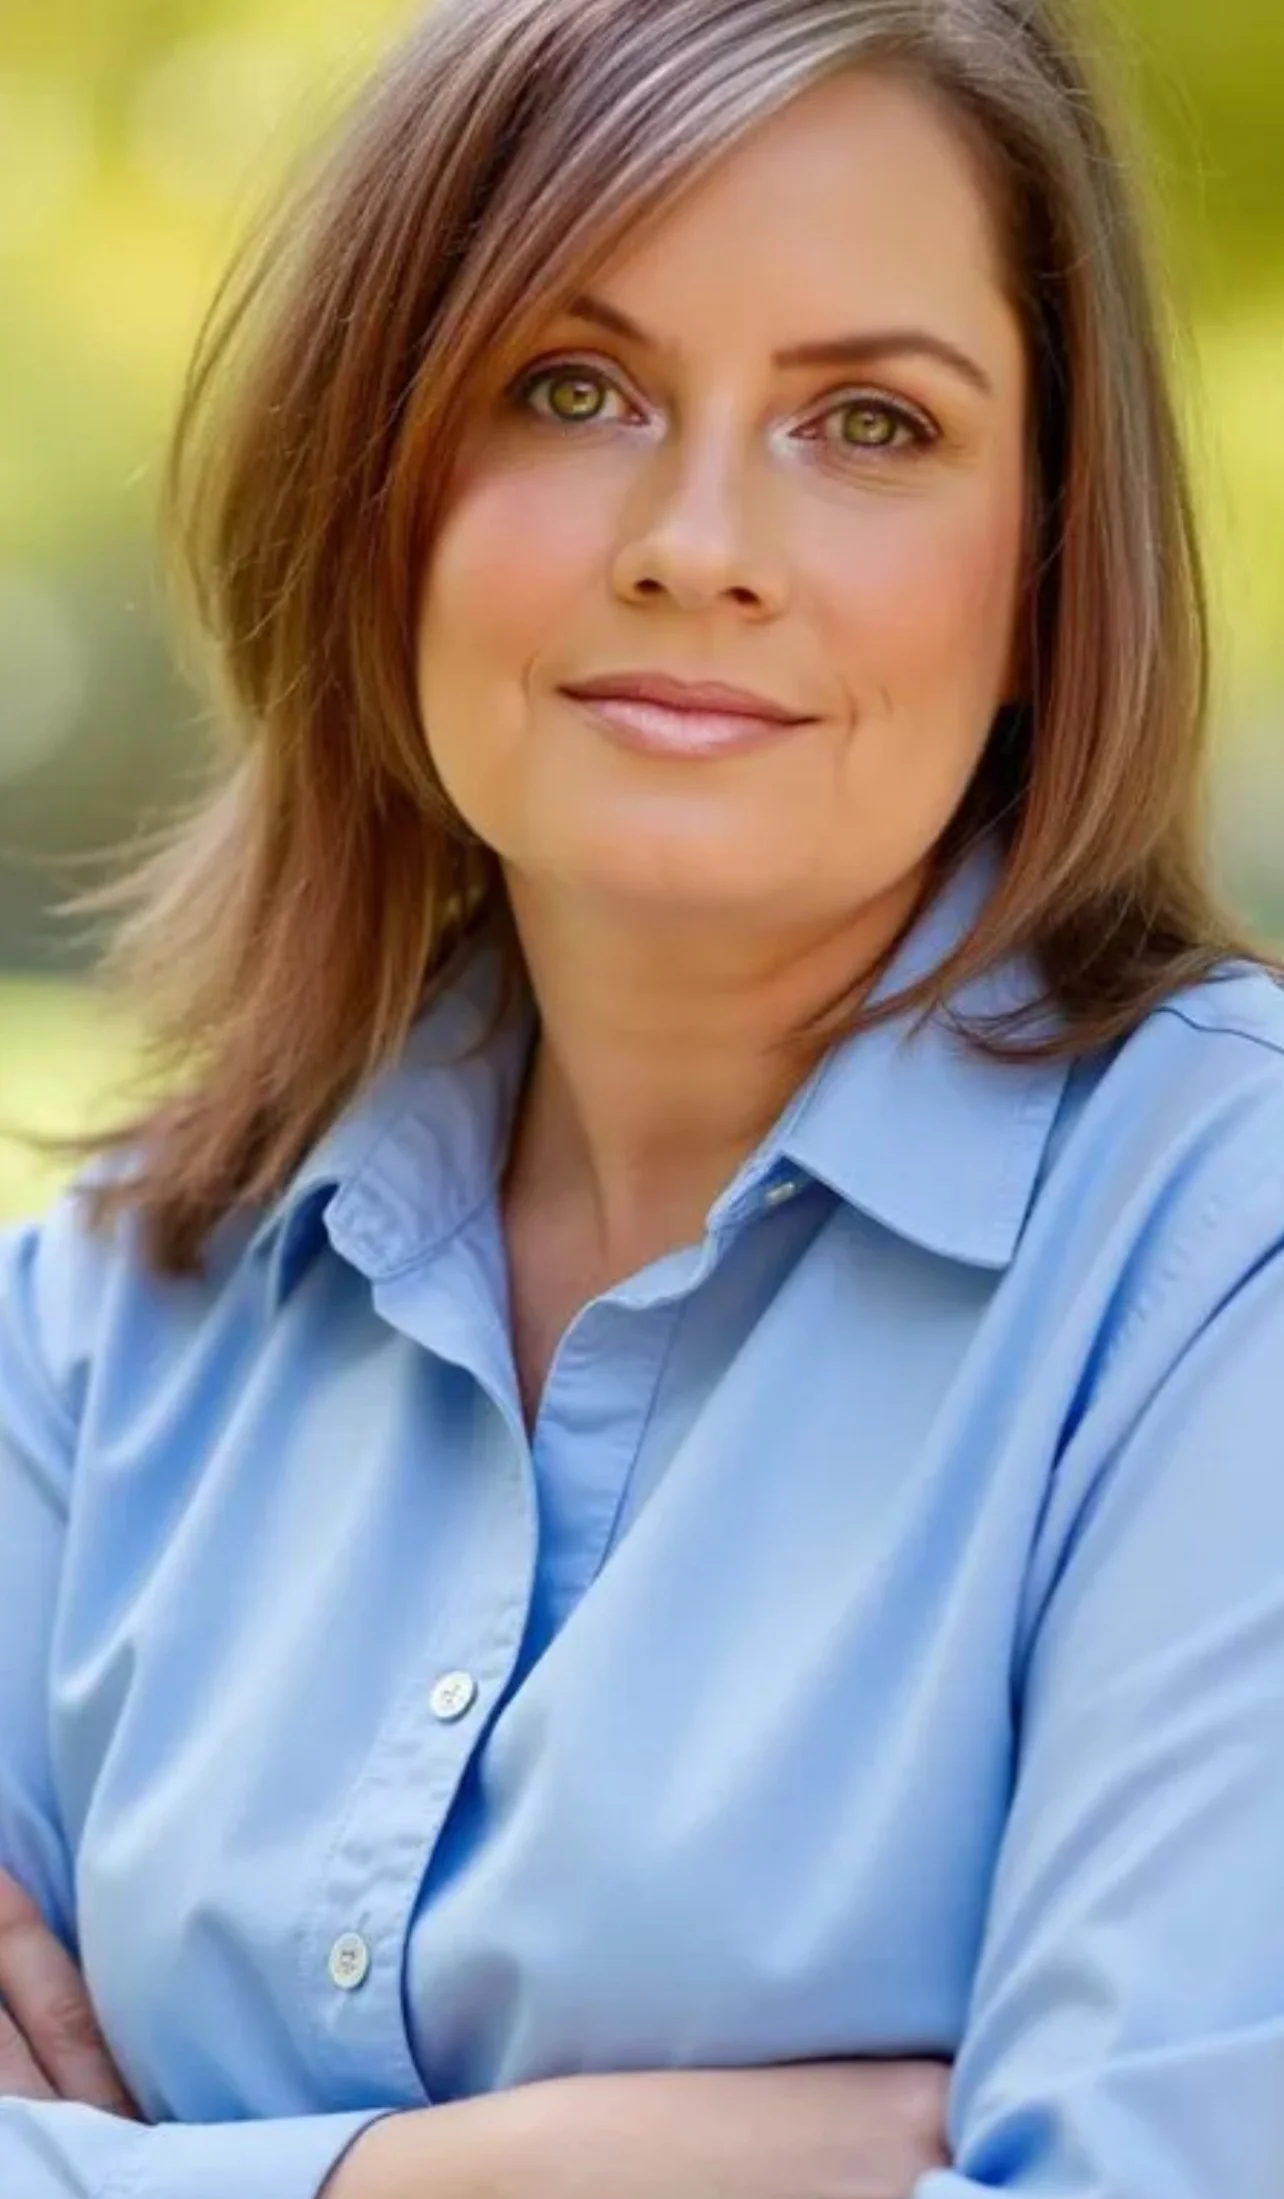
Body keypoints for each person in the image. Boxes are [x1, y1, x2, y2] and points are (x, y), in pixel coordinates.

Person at [3, 0, 1284, 2192]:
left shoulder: (1218, 1262)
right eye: (569, 388)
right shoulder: (116, 1306)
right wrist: (437, 2178)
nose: (700, 541)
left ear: (1047, 564)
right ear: (373, 478)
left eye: (872, 423)